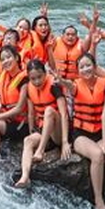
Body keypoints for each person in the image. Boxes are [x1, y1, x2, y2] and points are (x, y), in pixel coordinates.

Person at [59, 52, 105, 209]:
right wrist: (58, 78)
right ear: (78, 71)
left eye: (88, 65)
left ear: (94, 67)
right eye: (82, 67)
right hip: (81, 134)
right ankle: (99, 202)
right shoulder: (75, 86)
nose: (86, 69)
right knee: (97, 155)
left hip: (99, 133)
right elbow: (65, 83)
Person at [15, 59, 71, 188]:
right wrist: (31, 132)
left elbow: (63, 114)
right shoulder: (29, 88)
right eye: (33, 79)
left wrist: (64, 142)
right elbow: (31, 113)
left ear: (45, 73)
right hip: (44, 131)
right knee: (28, 140)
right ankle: (25, 177)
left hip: (58, 131)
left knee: (49, 111)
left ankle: (40, 151)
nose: (37, 82)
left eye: (40, 77)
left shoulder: (54, 86)